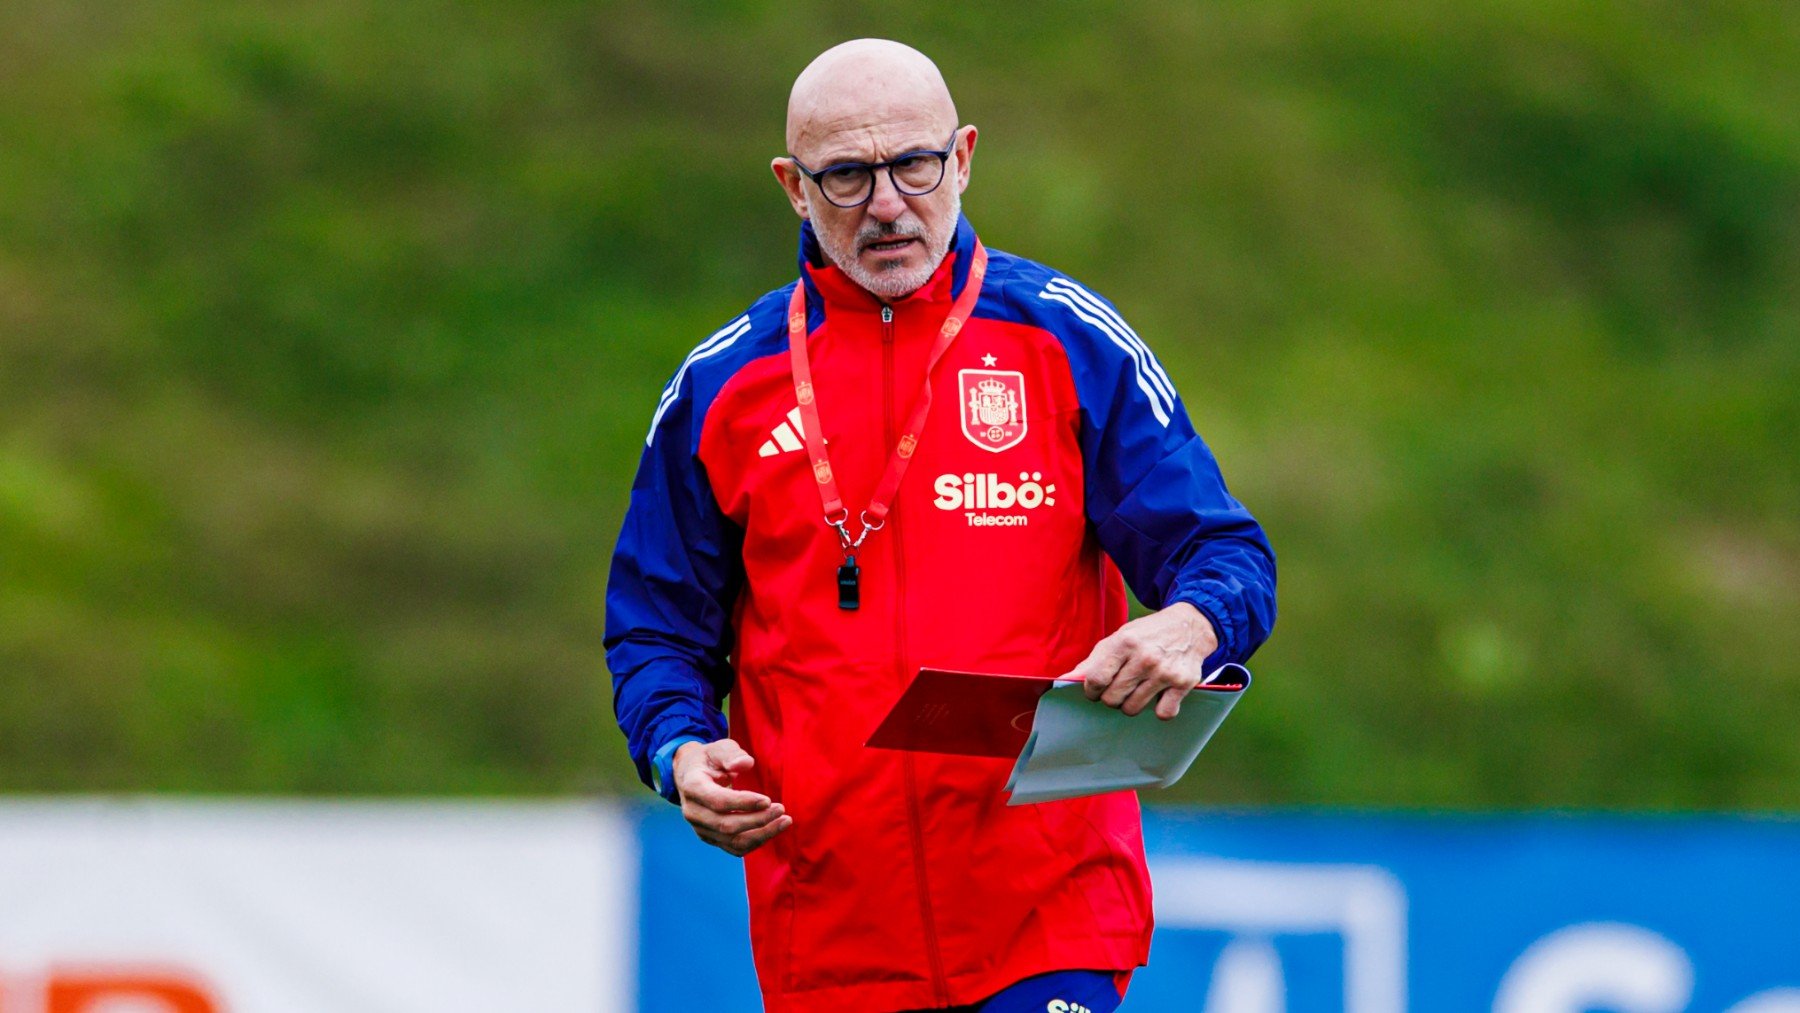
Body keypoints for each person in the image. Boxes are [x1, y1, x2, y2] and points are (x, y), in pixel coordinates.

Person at [606, 39, 1276, 1013]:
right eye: (846, 175)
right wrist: (677, 747)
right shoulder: (722, 389)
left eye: (913, 165)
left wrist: (1190, 623)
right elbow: (655, 628)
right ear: (794, 186)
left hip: (1047, 913)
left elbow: (1225, 552)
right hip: (830, 926)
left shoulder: (1065, 338)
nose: (886, 203)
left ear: (962, 157)